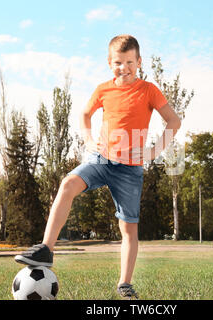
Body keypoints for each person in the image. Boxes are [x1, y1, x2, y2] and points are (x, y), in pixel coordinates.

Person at [15, 34, 181, 299]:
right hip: (101, 160)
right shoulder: (103, 89)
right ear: (109, 62)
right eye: (118, 62)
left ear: (139, 61)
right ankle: (46, 248)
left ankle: (125, 283)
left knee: (129, 229)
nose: (123, 67)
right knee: (68, 184)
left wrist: (153, 150)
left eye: (129, 62)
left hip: (129, 169)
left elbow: (173, 120)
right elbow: (84, 114)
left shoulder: (148, 90)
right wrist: (88, 139)